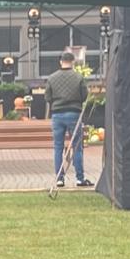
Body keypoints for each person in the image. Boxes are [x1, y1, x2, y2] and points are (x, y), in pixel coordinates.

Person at [45, 51, 92, 188]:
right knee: (77, 147)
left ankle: (59, 179)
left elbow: (47, 97)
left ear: (61, 61)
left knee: (58, 147)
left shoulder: (52, 78)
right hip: (74, 113)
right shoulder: (78, 77)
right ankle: (80, 178)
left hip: (57, 115)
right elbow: (84, 95)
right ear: (73, 62)